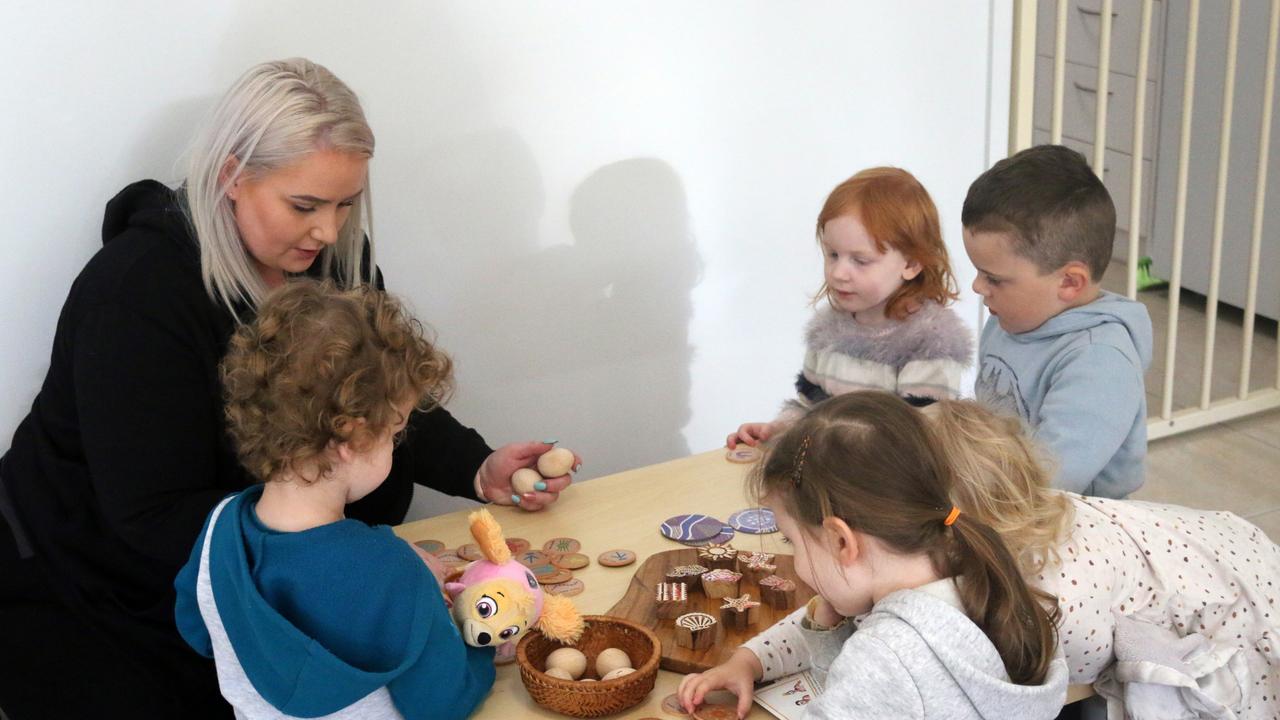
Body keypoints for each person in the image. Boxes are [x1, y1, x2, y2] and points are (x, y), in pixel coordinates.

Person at [0, 58, 568, 719]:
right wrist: (335, 561)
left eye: (346, 204)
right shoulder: (134, 299)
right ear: (232, 176)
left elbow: (373, 396)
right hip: (90, 596)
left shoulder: (331, 264)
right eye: (305, 206)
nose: (328, 230)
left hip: (269, 575)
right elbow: (151, 517)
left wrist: (477, 465)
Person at [174, 280, 494, 719]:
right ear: (350, 434)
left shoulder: (219, 530)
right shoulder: (389, 573)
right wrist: (477, 633)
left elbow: (197, 627)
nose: (398, 444)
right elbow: (443, 703)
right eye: (395, 431)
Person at [685, 391, 1069, 720]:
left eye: (791, 542)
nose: (798, 564)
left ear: (841, 541)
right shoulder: (983, 578)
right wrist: (757, 658)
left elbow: (875, 682)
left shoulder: (886, 659)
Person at [925, 398, 1280, 719]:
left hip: (1245, 607)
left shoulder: (1058, 594)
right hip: (1222, 544)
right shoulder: (1015, 507)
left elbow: (1074, 680)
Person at [726, 167, 971, 450]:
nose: (839, 273)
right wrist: (777, 431)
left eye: (860, 260)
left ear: (911, 264)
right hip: (829, 474)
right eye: (833, 255)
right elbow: (810, 409)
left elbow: (919, 443)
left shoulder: (929, 343)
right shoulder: (828, 331)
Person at [962, 144, 1152, 498]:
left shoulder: (1101, 363)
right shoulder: (1010, 319)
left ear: (1069, 282)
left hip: (1078, 521)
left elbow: (1048, 480)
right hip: (1005, 495)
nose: (977, 287)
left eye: (994, 278)